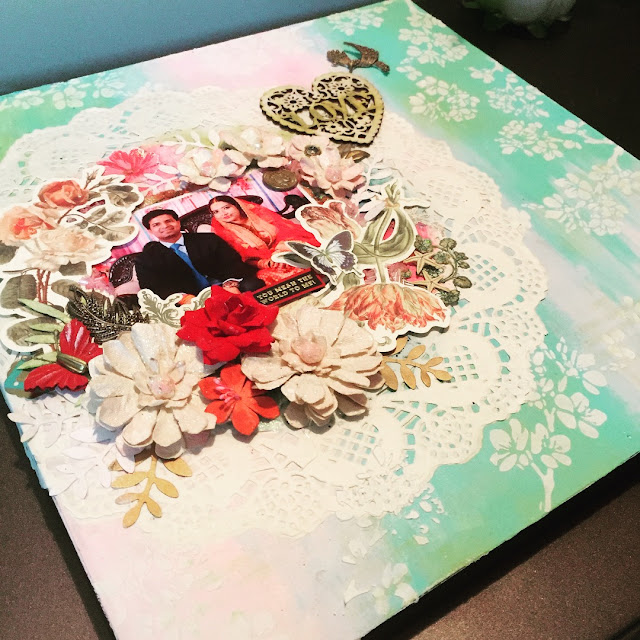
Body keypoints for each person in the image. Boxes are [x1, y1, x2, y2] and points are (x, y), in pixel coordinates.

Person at [134, 209, 264, 299]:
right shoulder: (145, 259)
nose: (165, 226)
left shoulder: (208, 239)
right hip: (188, 298)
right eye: (156, 224)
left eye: (169, 221)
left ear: (178, 222)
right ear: (150, 231)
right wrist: (184, 298)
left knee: (253, 285)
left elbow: (232, 262)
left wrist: (230, 284)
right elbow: (153, 287)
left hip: (225, 285)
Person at [203, 195, 319, 287]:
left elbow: (286, 231)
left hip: (288, 248)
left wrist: (280, 253)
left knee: (303, 260)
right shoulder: (224, 233)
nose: (223, 214)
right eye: (216, 212)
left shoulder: (259, 214)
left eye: (226, 207)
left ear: (237, 206)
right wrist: (266, 263)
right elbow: (243, 258)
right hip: (266, 264)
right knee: (269, 275)